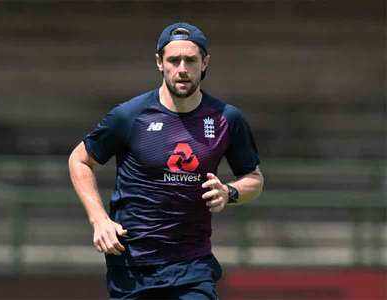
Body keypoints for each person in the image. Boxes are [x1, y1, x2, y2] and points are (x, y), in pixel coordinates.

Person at [69, 22, 264, 300]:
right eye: (174, 60)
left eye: (191, 60)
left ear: (205, 62)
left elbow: (254, 179)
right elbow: (79, 160)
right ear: (160, 63)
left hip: (192, 267)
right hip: (132, 265)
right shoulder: (129, 115)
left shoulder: (226, 118)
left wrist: (230, 192)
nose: (182, 68)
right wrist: (99, 220)